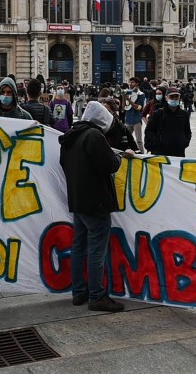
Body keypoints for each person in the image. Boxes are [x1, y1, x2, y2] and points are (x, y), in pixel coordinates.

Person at [59, 101, 133, 312]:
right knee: (97, 251)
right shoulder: (94, 136)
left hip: (78, 200)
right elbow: (109, 164)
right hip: (96, 202)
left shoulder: (71, 136)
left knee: (79, 247)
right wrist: (119, 156)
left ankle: (78, 292)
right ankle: (97, 296)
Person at [144, 87, 192, 157]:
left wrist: (184, 142)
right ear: (166, 98)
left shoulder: (184, 114)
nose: (174, 99)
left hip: (178, 151)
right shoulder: (158, 113)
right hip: (161, 152)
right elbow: (149, 131)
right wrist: (156, 143)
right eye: (171, 97)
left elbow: (187, 131)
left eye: (176, 97)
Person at [123, 77, 145, 153]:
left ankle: (142, 154)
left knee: (139, 140)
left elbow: (138, 108)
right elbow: (123, 108)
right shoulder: (128, 92)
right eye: (129, 82)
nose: (130, 84)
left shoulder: (140, 94)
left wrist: (128, 100)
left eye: (132, 82)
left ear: (137, 83)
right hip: (128, 119)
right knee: (126, 139)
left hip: (136, 120)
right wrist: (123, 98)